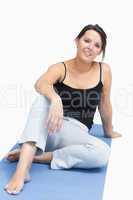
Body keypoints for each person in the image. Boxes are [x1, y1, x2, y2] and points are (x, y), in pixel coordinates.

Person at [4, 24, 122, 195]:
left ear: (100, 51)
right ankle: (22, 171)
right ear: (77, 41)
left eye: (97, 45)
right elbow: (40, 83)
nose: (90, 47)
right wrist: (55, 99)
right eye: (87, 40)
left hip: (75, 134)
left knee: (102, 153)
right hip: (50, 128)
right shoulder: (61, 68)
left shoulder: (104, 70)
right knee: (41, 100)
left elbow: (105, 103)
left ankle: (37, 157)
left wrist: (109, 131)